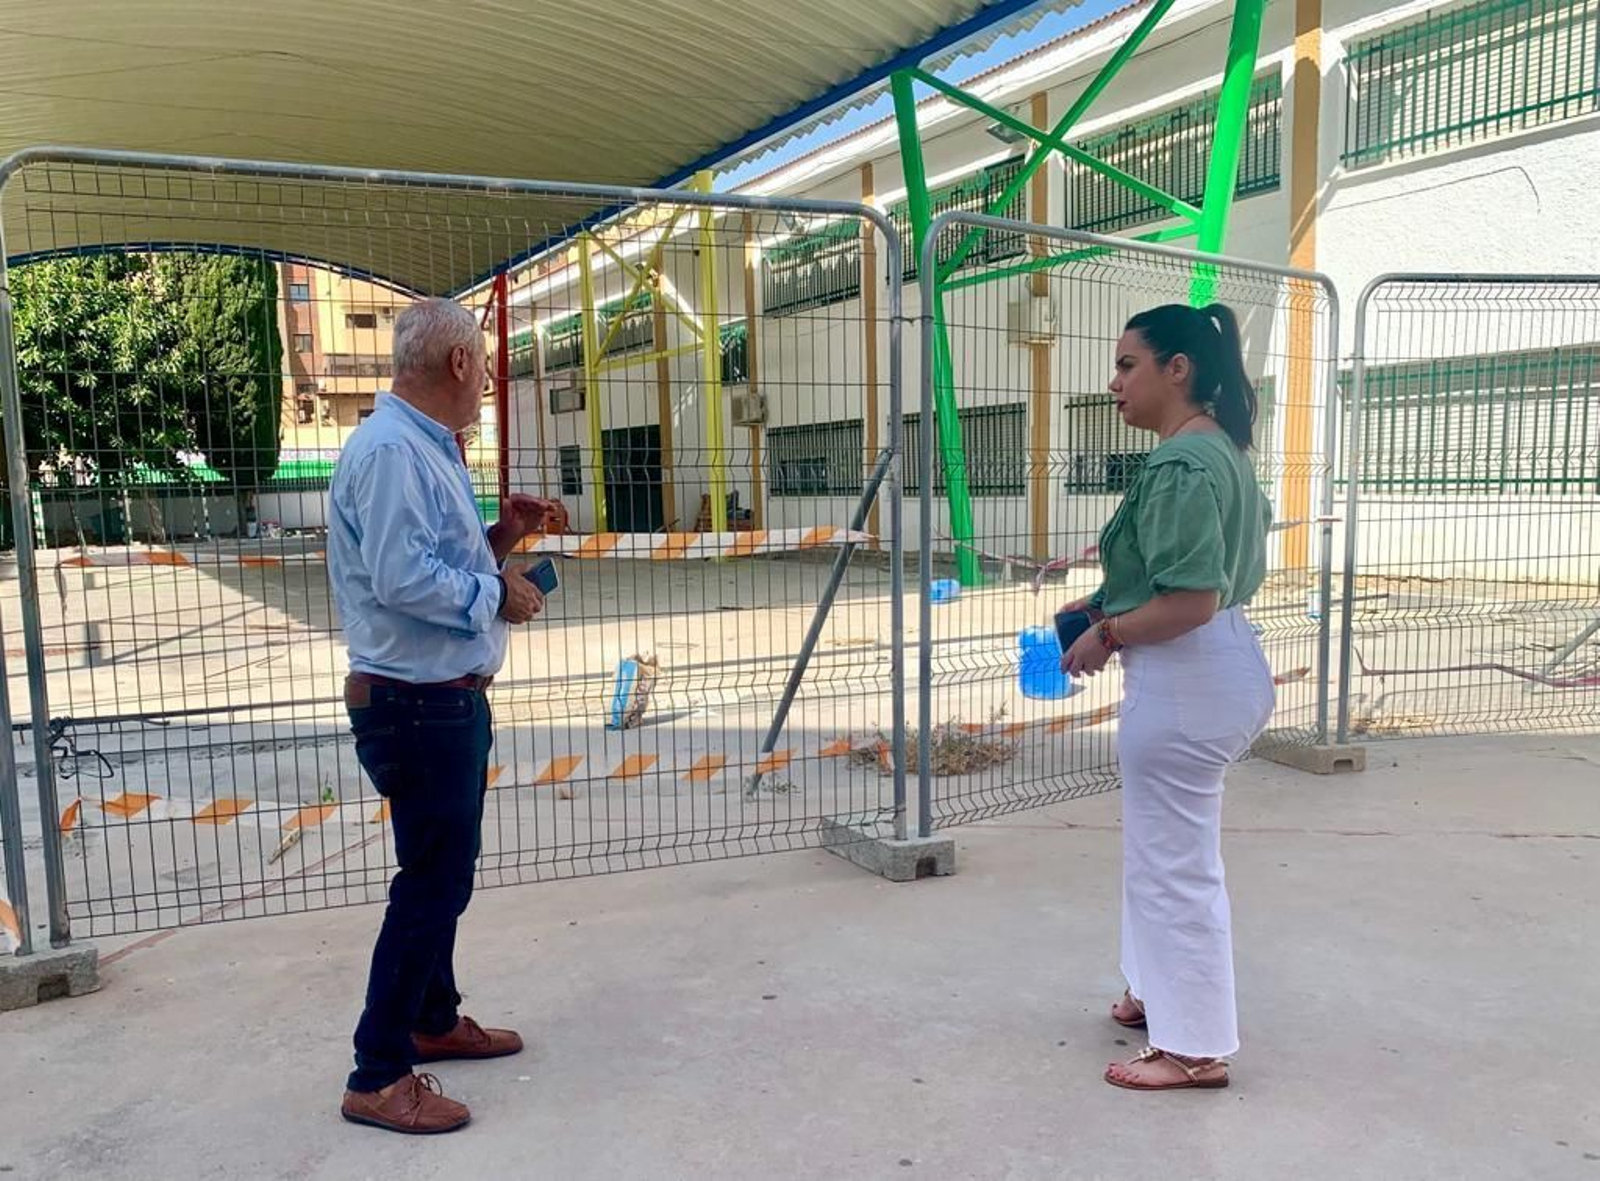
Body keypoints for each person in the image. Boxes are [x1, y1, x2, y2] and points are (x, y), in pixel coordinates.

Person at [328, 297, 560, 1134]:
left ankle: (433, 1014)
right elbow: (399, 578)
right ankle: (378, 1070)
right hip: (417, 706)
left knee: (442, 872)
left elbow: (431, 560)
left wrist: (500, 537)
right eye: (488, 367)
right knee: (430, 883)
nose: (488, 383)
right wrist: (494, 591)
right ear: (459, 364)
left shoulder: (423, 447)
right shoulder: (394, 451)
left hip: (436, 700)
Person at [1058, 302, 1275, 1092]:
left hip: (1186, 673)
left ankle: (1194, 1046)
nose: (1114, 382)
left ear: (1175, 369)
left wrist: (1106, 632)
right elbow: (1184, 579)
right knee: (1158, 850)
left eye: (1127, 365)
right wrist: (1105, 605)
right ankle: (1154, 990)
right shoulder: (1218, 450)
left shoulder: (1182, 465)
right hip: (1214, 668)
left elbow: (1188, 600)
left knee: (1174, 863)